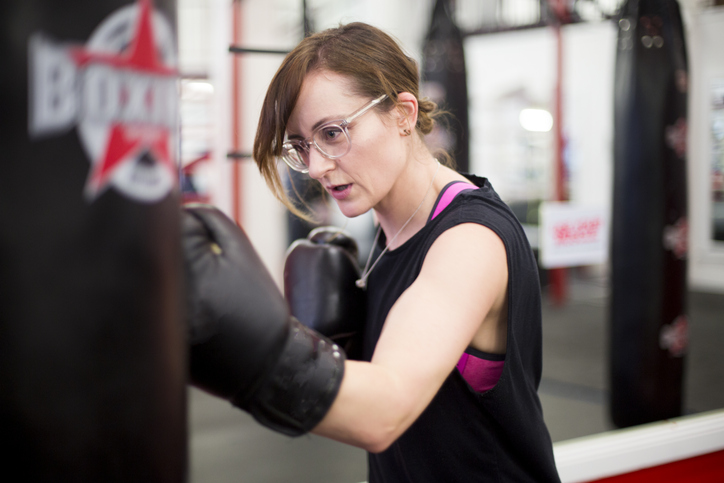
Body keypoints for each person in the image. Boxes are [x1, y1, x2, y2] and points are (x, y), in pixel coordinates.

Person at [245, 21, 561, 482]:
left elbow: (382, 412)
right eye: (300, 145)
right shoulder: (386, 232)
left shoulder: (469, 240)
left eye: (332, 133)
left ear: (403, 114)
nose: (315, 166)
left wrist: (235, 346)